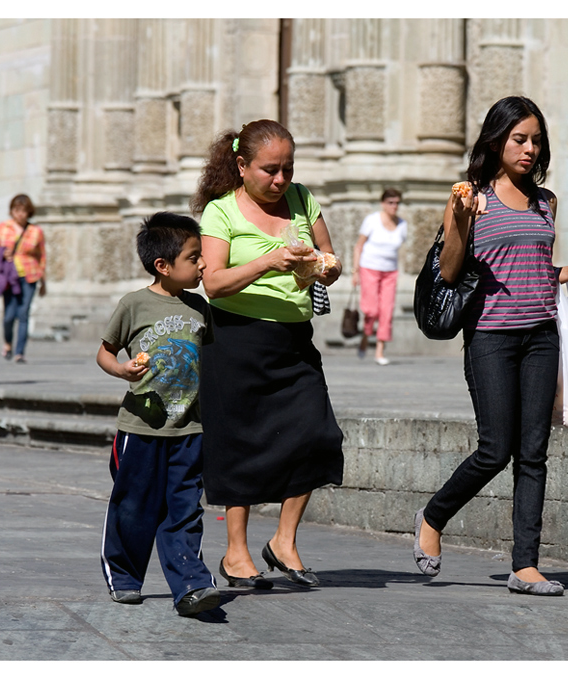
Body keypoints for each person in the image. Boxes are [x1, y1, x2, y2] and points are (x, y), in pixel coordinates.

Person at [412, 96, 568, 596]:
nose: (529, 148)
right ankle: (433, 517)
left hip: (541, 335)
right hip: (490, 338)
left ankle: (525, 565)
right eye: (519, 138)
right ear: (496, 141)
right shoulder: (471, 197)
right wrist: (459, 216)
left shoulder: (547, 201)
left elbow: (537, 262)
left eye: (536, 140)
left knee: (534, 452)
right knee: (496, 448)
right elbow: (452, 271)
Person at [190, 119, 344, 590]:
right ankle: (236, 554)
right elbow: (212, 283)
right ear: (242, 165)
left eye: (288, 169)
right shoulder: (220, 212)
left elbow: (330, 259)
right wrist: (266, 262)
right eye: (270, 170)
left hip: (293, 340)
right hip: (235, 340)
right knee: (242, 446)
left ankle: (283, 541)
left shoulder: (302, 198)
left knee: (318, 435)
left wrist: (321, 267)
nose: (280, 180)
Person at [96, 212, 221, 617]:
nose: (203, 264)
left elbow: (211, 363)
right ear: (162, 266)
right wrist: (122, 370)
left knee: (185, 508)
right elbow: (105, 351)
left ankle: (191, 585)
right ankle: (125, 578)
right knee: (133, 507)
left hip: (190, 429)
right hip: (140, 429)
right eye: (194, 257)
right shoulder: (133, 304)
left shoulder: (200, 308)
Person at [0, 194, 47, 363]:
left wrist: (43, 281)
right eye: (16, 210)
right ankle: (7, 342)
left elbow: (41, 256)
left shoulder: (36, 231)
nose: (20, 214)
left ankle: (20, 352)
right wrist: (2, 252)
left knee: (23, 313)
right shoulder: (3, 228)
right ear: (12, 211)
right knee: (9, 315)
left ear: (29, 212)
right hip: (9, 277)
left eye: (23, 210)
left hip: (30, 276)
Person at [352, 188, 407, 365]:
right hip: (369, 268)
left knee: (387, 310)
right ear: (383, 204)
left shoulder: (402, 225)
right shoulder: (372, 220)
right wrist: (355, 272)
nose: (394, 206)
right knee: (372, 310)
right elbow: (358, 246)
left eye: (397, 203)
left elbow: (399, 251)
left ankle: (379, 351)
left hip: (390, 272)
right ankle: (366, 336)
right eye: (391, 202)